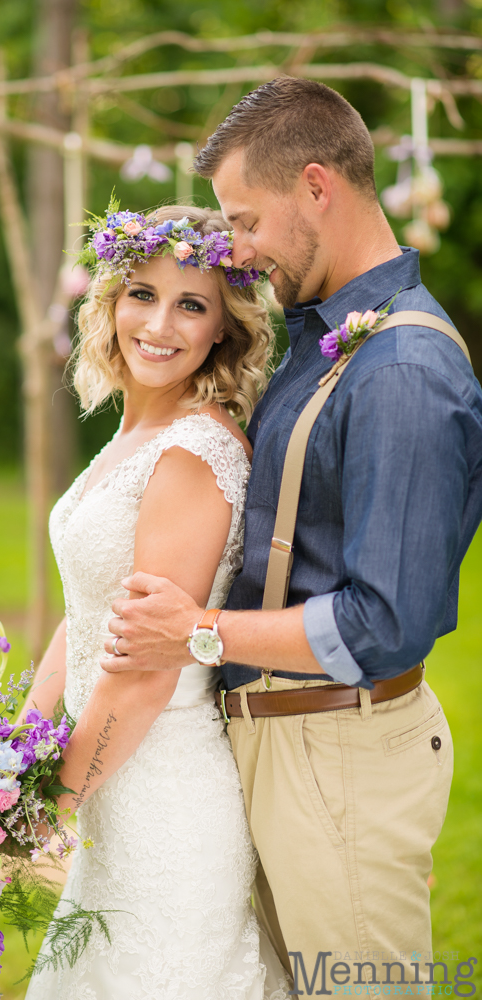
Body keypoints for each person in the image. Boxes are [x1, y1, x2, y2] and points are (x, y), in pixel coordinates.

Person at [100, 79, 482, 990]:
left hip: (338, 757)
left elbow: (380, 624)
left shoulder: (401, 370)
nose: (235, 250)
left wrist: (194, 629)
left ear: (316, 186)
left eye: (243, 221)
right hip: (280, 746)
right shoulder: (324, 337)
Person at [23, 204, 289, 999]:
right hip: (111, 781)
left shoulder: (190, 454)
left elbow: (142, 672)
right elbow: (88, 611)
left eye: (192, 305)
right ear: (108, 300)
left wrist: (48, 808)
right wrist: (9, 757)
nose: (159, 324)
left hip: (165, 800)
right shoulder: (136, 434)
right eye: (141, 293)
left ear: (224, 330)